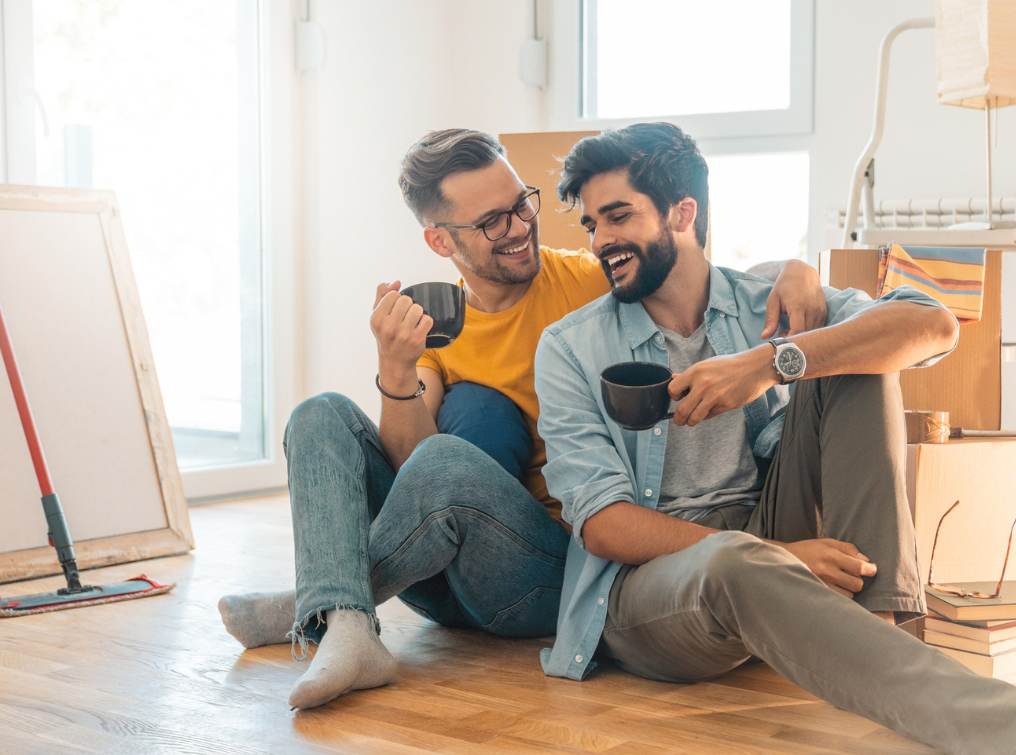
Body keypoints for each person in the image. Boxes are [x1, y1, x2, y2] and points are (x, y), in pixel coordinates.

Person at [533, 122, 1016, 755]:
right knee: (735, 560)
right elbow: (605, 527)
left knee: (853, 359)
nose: (599, 241)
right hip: (650, 589)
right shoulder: (569, 347)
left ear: (681, 213)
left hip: (763, 527)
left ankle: (875, 637)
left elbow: (933, 325)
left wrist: (772, 362)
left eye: (618, 216)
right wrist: (780, 552)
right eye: (592, 224)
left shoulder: (764, 303)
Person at [215, 128, 832, 710]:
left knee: (451, 457)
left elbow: (694, 270)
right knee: (319, 413)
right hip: (438, 565)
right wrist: (397, 374)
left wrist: (796, 270)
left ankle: (324, 601)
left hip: (548, 570)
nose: (518, 229)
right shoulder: (436, 326)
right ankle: (342, 613)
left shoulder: (592, 280)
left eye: (523, 205)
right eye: (490, 222)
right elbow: (412, 476)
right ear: (439, 240)